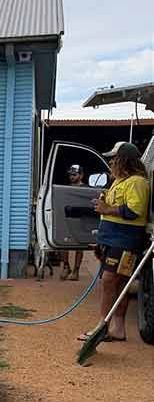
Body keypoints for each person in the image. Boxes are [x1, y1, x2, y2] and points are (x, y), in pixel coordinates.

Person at [81, 142, 150, 343]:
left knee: (110, 280)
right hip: (112, 239)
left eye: (114, 158)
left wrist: (106, 209)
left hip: (125, 239)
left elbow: (134, 211)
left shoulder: (137, 182)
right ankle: (118, 329)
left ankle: (102, 325)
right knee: (118, 284)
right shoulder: (120, 181)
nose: (111, 162)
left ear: (123, 160)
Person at [62, 164, 87, 280]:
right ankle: (66, 267)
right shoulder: (66, 189)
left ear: (81, 175)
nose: (72, 177)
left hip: (80, 220)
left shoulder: (86, 188)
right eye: (70, 174)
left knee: (79, 246)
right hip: (67, 219)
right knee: (64, 244)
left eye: (74, 174)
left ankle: (76, 271)